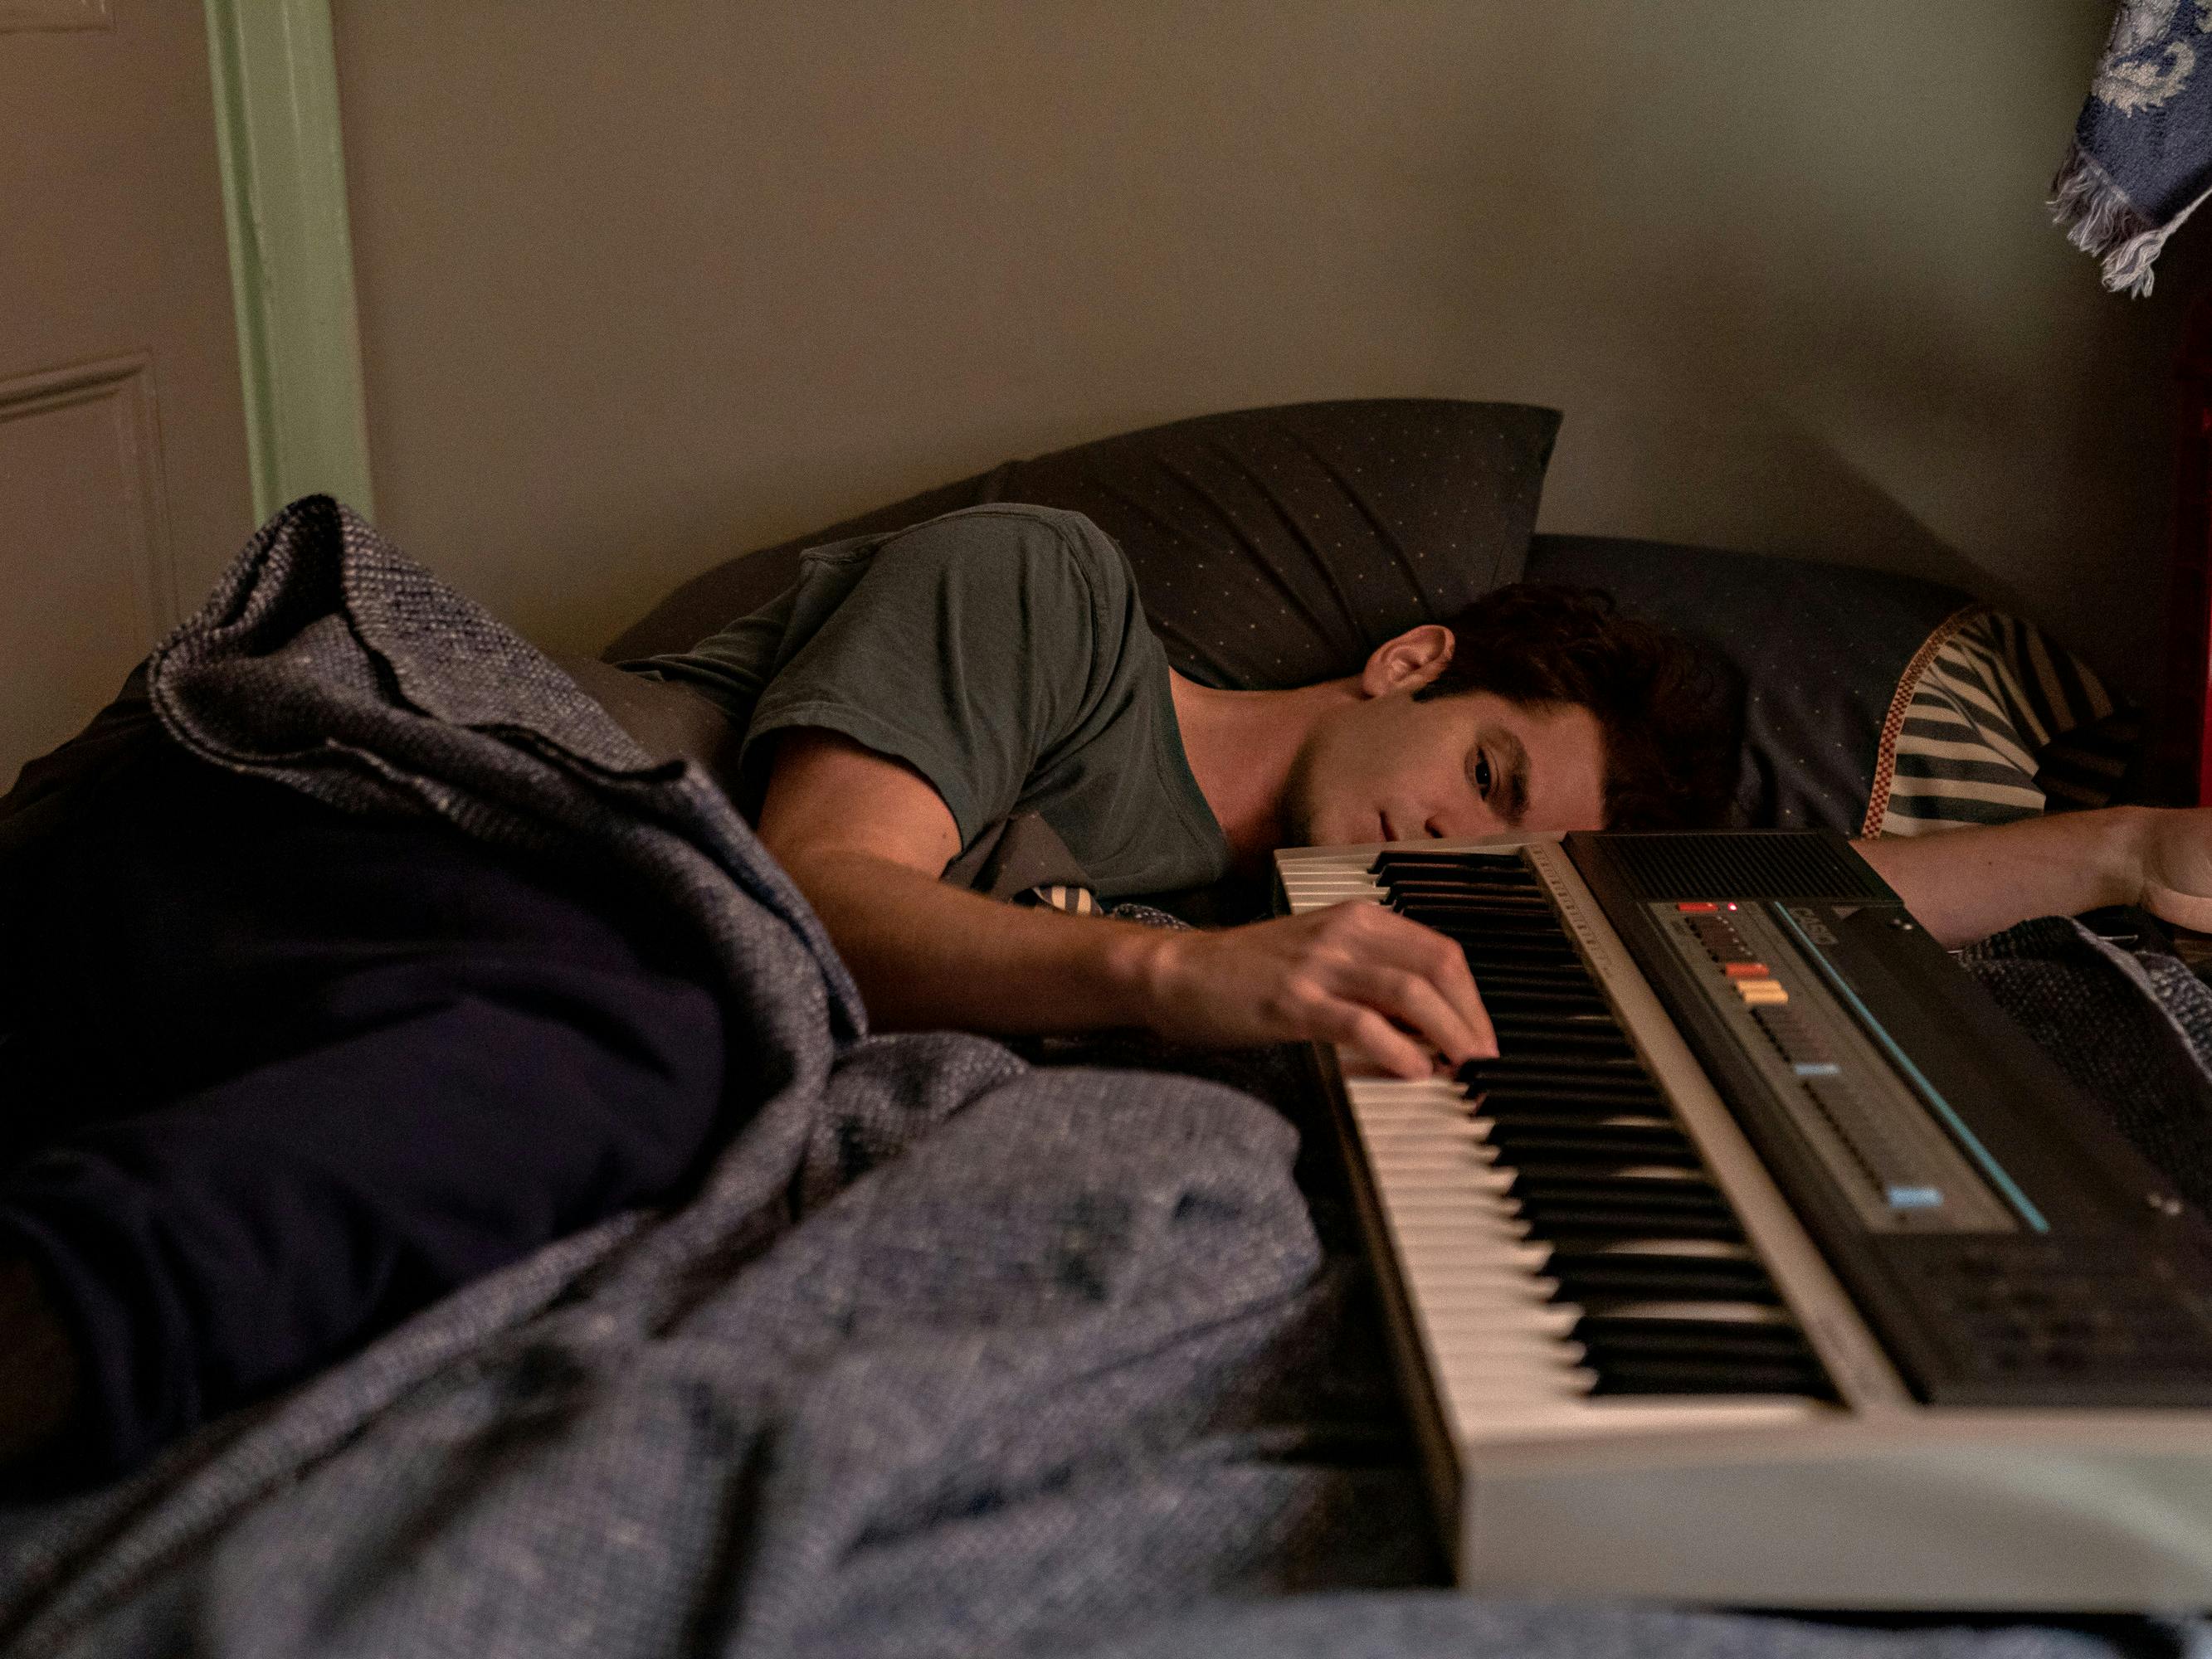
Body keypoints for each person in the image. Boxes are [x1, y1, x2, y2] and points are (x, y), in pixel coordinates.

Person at [0, 500, 2204, 1488]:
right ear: (1418, 663)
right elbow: (815, 900)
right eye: (1488, 777)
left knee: (643, 1126)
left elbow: (1769, 907)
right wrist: (1171, 972)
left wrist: (2115, 851)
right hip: (399, 824)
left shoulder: (1324, 921)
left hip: (394, 999)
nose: (1467, 847)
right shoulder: (1054, 595)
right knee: (674, 1035)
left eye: (1525, 857)